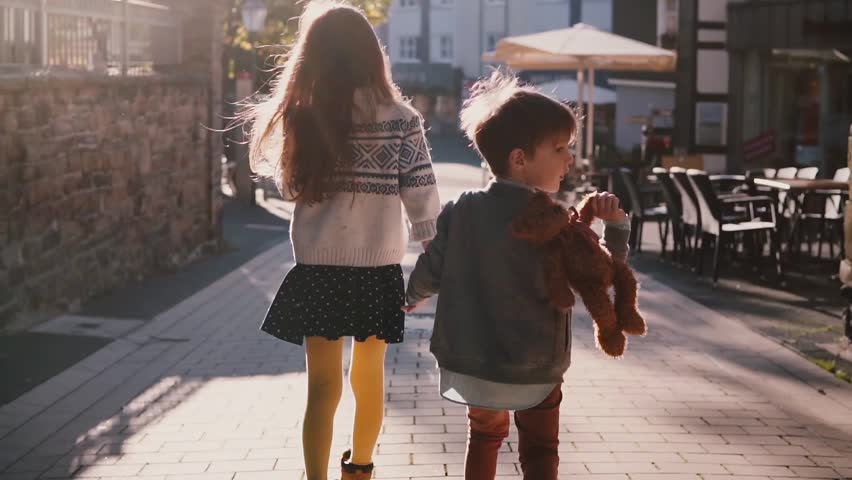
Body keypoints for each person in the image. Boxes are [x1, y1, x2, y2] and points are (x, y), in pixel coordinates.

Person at [245, 2, 441, 479]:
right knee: (369, 378)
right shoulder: (401, 117)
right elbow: (422, 200)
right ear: (372, 55)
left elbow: (291, 190)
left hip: (318, 269)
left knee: (322, 387)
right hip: (378, 269)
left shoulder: (304, 115)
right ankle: (361, 470)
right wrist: (433, 263)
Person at [404, 72, 631, 480]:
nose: (569, 160)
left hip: (472, 362)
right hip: (535, 365)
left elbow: (430, 269)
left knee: (485, 437)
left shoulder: (461, 210)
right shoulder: (553, 221)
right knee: (541, 449)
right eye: (560, 148)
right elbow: (603, 274)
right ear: (519, 158)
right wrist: (616, 227)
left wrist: (410, 296)